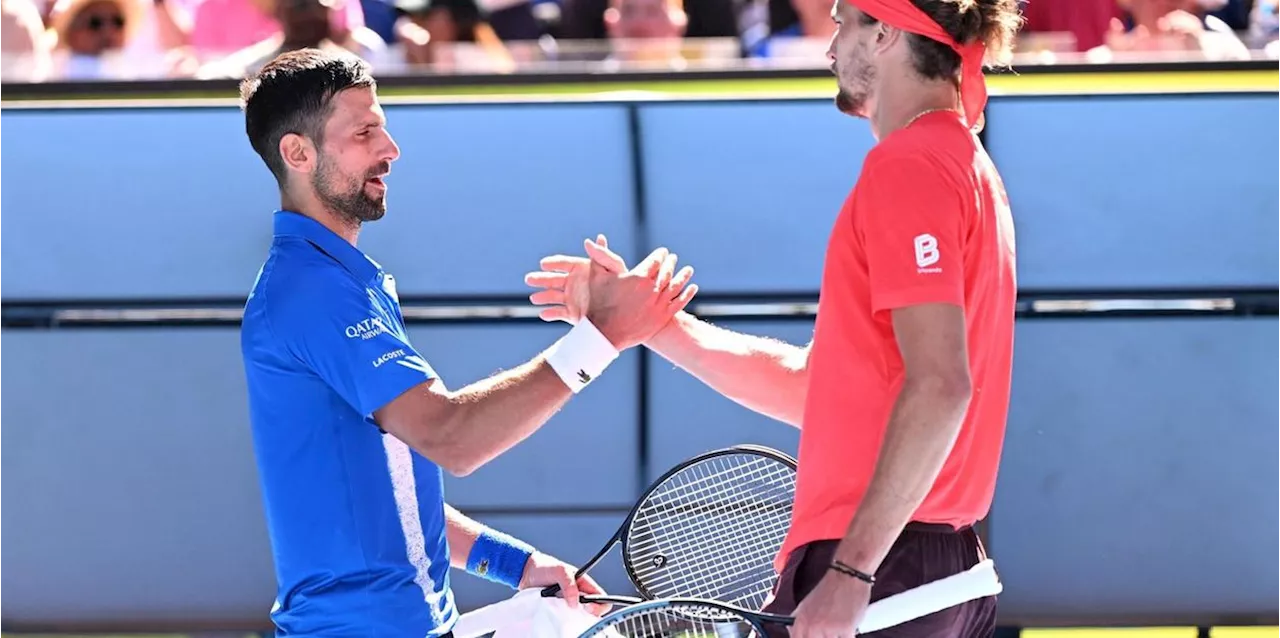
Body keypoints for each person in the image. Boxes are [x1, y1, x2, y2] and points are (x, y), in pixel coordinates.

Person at [526, 0, 1023, 635]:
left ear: (887, 33)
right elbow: (816, 388)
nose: (831, 46)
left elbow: (942, 384)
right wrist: (649, 324)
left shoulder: (912, 164)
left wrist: (851, 574)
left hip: (885, 570)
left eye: (844, 23)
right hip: (926, 569)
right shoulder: (962, 164)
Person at [237, 48, 699, 637]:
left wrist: (518, 564)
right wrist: (604, 335)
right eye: (364, 132)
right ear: (298, 153)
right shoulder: (313, 292)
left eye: (382, 126)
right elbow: (452, 438)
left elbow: (392, 490)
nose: (391, 149)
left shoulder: (334, 279)